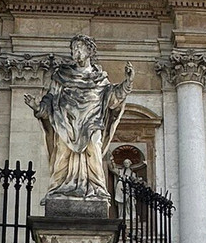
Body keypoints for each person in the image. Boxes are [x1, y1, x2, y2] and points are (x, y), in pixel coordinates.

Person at [24, 35, 134, 202]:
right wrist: (39, 107)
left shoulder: (99, 79)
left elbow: (112, 99)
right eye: (74, 49)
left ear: (89, 51)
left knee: (93, 148)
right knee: (63, 152)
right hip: (66, 121)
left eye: (79, 48)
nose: (76, 52)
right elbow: (51, 99)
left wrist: (127, 83)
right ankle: (58, 187)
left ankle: (97, 187)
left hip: (92, 120)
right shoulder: (62, 76)